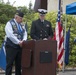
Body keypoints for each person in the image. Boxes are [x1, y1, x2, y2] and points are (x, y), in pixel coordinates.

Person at [5, 11, 27, 75]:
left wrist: (23, 40)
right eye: (20, 18)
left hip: (20, 47)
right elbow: (10, 35)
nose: (21, 20)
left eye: (22, 18)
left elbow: (25, 33)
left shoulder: (22, 25)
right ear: (16, 17)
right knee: (9, 64)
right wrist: (18, 42)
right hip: (11, 47)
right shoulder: (10, 23)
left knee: (19, 64)